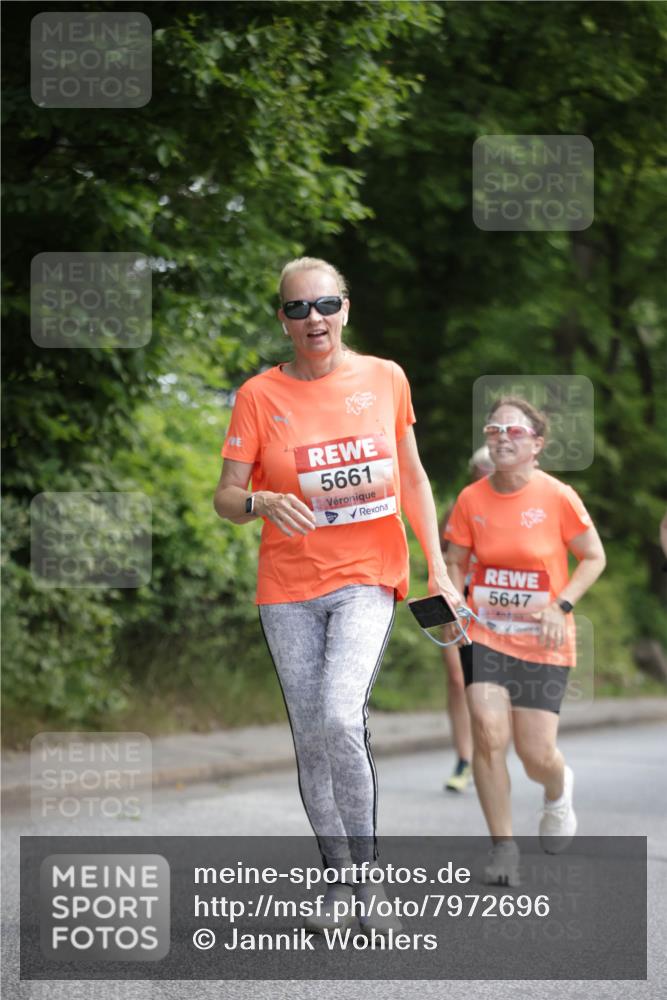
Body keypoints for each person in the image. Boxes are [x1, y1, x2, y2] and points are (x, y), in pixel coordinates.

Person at [213, 256, 464, 931]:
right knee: (310, 738)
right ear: (282, 320)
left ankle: (371, 879)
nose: (312, 319)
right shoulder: (258, 396)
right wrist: (259, 499)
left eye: (324, 305)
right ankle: (338, 880)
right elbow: (226, 499)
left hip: (365, 576)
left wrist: (436, 568)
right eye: (297, 309)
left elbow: (411, 478)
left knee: (337, 714)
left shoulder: (384, 379)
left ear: (344, 309)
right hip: (286, 588)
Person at [445, 397, 606, 885]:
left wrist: (562, 605)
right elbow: (454, 559)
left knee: (536, 755)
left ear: (537, 444)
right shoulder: (472, 499)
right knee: (490, 737)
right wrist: (452, 597)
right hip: (487, 634)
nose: (502, 437)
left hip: (542, 640)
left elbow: (594, 557)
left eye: (515, 431)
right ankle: (504, 849)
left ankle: (557, 789)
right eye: (495, 429)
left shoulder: (558, 496)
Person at [440, 446, 494, 793]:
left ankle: (488, 755)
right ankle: (463, 758)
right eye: (482, 470)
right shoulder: (456, 510)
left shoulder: (518, 510)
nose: (487, 476)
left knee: (486, 687)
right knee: (459, 682)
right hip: (458, 607)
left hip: (497, 612)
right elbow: (440, 557)